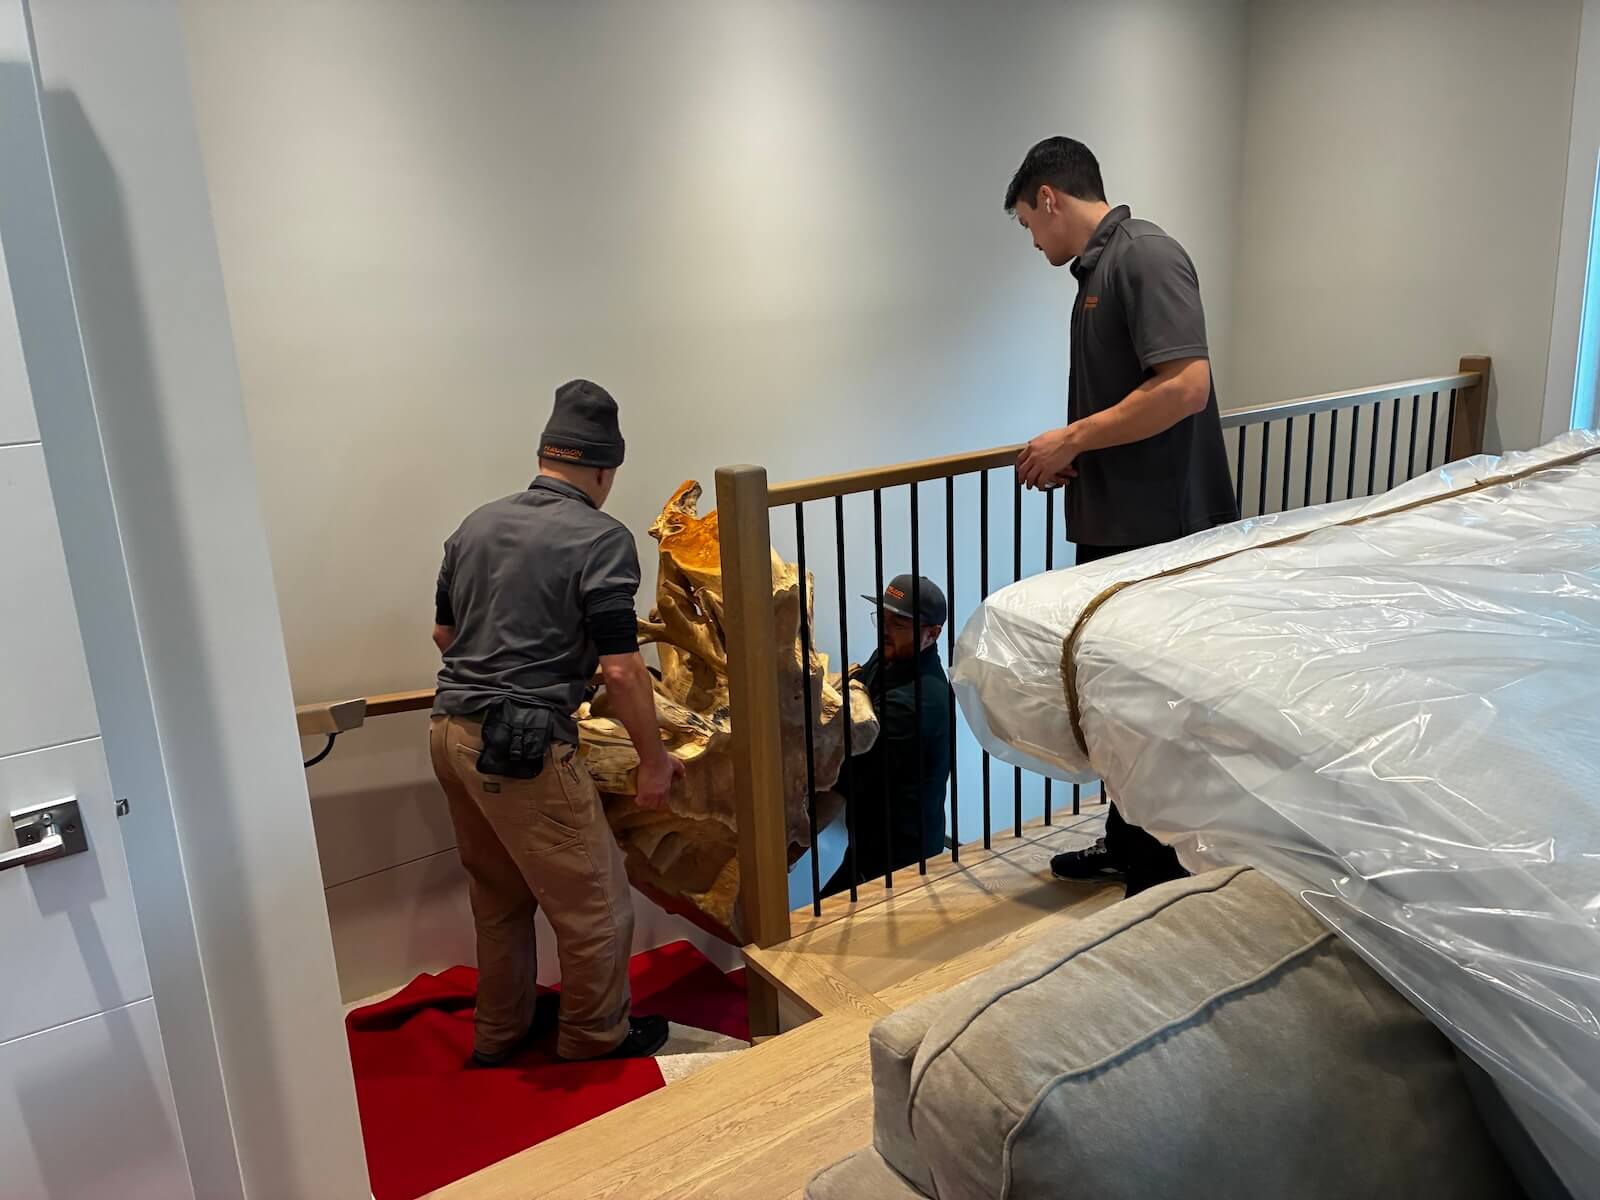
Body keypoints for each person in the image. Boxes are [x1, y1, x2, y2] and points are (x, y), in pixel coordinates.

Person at [1004, 136, 1239, 897]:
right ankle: (1125, 841)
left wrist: (1072, 436)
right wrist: (1081, 450)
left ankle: (1159, 871)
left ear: (1050, 200)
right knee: (1117, 704)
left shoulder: (1145, 256)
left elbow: (1185, 387)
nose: (1032, 240)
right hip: (1119, 525)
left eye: (1027, 224)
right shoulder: (1099, 270)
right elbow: (1136, 400)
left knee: (1154, 711)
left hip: (1161, 533)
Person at [430, 379, 683, 1066]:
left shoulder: (474, 524)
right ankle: (596, 1040)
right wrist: (653, 761)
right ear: (605, 470)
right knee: (598, 907)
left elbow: (442, 635)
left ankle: (500, 1034)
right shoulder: (601, 540)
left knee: (500, 900)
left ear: (546, 455)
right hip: (522, 748)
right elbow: (625, 668)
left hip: (449, 732)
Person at [820, 575, 953, 898]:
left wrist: (786, 849)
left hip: (900, 866)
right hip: (868, 849)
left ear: (932, 634)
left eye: (899, 623)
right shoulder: (891, 655)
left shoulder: (917, 701)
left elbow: (846, 776)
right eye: (882, 617)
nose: (884, 629)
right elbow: (855, 691)